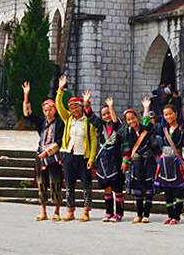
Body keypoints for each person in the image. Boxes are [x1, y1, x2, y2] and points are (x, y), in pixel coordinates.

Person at [54, 76, 97, 223]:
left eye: (77, 107)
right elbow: (58, 106)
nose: (74, 110)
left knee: (86, 185)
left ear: (82, 107)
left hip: (83, 156)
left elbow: (93, 140)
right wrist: (60, 90)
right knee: (69, 185)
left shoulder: (87, 121)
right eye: (71, 108)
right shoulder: (68, 119)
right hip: (69, 155)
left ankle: (86, 212)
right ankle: (70, 211)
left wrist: (91, 158)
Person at [22, 81, 64, 221]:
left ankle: (57, 211)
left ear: (55, 110)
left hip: (53, 157)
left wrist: (48, 152)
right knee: (41, 183)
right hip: (40, 156)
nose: (48, 113)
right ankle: (44, 211)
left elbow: (59, 141)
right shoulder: (42, 123)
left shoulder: (59, 123)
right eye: (45, 110)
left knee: (55, 182)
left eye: (50, 110)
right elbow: (28, 115)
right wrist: (26, 96)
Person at [89, 94, 125, 222]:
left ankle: (119, 213)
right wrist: (87, 102)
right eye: (104, 114)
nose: (106, 116)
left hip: (115, 160)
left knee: (118, 189)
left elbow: (117, 127)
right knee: (107, 189)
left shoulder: (118, 125)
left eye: (108, 113)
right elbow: (91, 118)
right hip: (103, 161)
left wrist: (111, 107)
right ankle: (109, 212)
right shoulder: (101, 127)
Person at [154, 103, 184, 224]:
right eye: (166, 115)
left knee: (179, 191)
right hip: (165, 162)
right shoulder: (162, 129)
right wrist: (146, 110)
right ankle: (170, 215)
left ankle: (177, 216)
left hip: (177, 162)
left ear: (176, 114)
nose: (168, 116)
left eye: (170, 113)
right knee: (167, 190)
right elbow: (147, 127)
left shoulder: (181, 130)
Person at [122, 103, 158, 223]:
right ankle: (139, 214)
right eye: (128, 119)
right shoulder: (128, 133)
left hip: (148, 162)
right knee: (138, 190)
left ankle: (146, 214)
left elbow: (147, 122)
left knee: (148, 190)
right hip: (136, 162)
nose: (131, 121)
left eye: (133, 118)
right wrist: (125, 161)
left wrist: (146, 108)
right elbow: (126, 148)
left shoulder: (145, 129)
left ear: (137, 118)